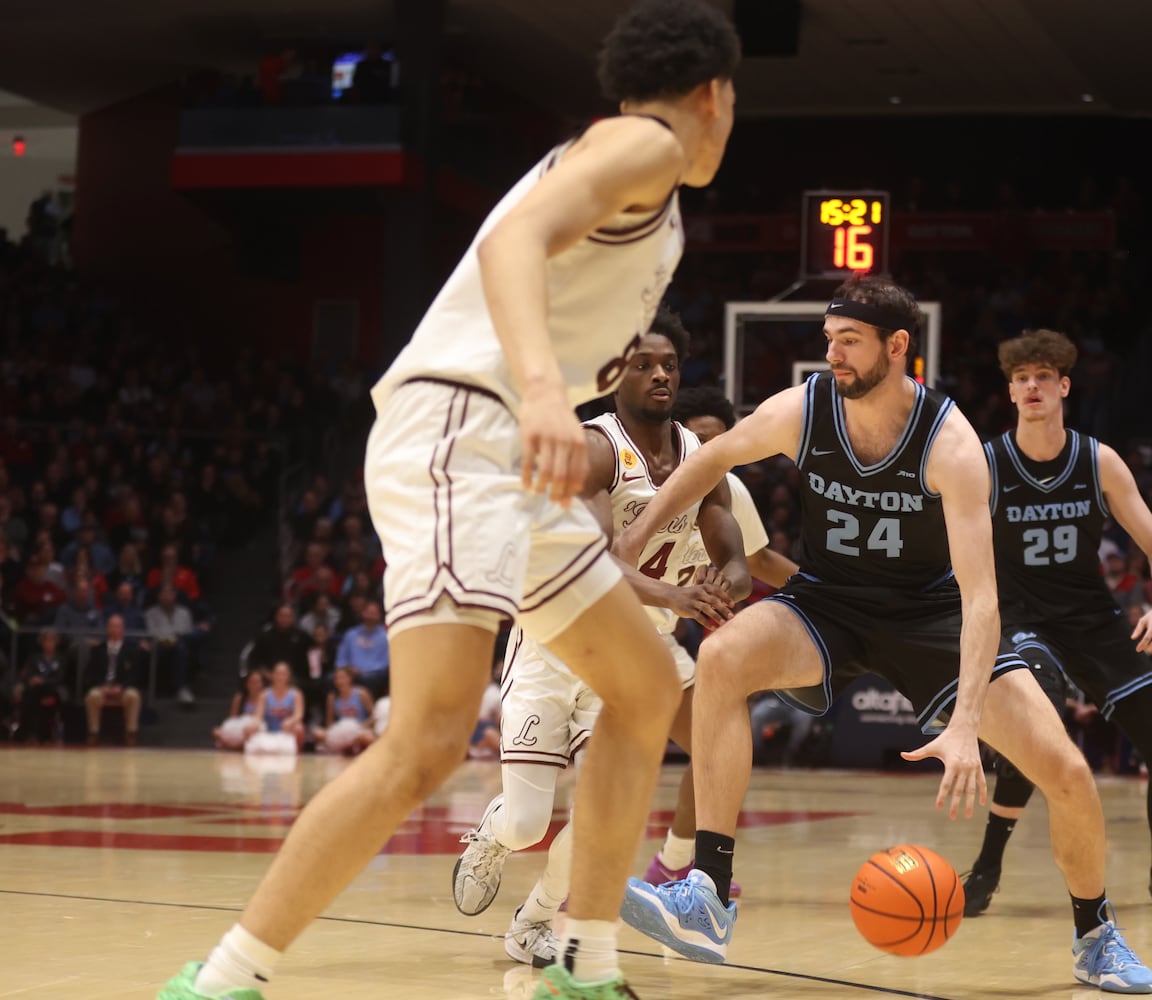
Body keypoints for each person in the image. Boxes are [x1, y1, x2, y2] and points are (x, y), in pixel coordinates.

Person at [157, 4, 741, 997]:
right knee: (427, 738)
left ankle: (581, 966)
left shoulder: (652, 193)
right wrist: (552, 394)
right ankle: (220, 980)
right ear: (713, 95)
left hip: (516, 454)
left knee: (645, 688)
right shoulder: (643, 143)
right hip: (466, 429)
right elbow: (512, 243)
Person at [616, 280, 1152, 992]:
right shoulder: (803, 408)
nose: (831, 354)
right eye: (828, 338)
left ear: (897, 347)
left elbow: (982, 597)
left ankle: (1095, 933)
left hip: (932, 617)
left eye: (848, 341)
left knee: (1069, 775)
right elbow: (709, 460)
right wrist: (629, 541)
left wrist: (964, 725)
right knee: (721, 656)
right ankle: (709, 894)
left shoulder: (952, 446)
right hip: (830, 602)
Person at [449, 309, 753, 968]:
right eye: (643, 363)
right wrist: (676, 594)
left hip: (631, 659)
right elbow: (591, 558)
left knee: (600, 816)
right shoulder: (595, 447)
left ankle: (533, 921)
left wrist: (726, 581)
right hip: (560, 643)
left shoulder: (700, 457)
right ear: (616, 373)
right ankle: (493, 833)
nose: (659, 374)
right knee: (530, 822)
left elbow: (729, 540)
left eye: (669, 364)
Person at [953, 328, 1152, 917]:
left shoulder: (1098, 460)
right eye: (1021, 379)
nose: (1031, 387)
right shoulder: (987, 463)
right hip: (1022, 620)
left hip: (1093, 619)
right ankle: (988, 869)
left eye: (1043, 376)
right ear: (1011, 391)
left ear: (1064, 386)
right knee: (1036, 736)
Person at [672, 385, 801, 589]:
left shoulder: (731, 488)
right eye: (701, 440)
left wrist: (827, 599)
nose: (711, 453)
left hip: (662, 618)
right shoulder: (645, 485)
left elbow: (759, 561)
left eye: (720, 444)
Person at [84, 615, 144, 747]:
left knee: (133, 696)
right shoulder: (98, 649)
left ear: (123, 629)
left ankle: (131, 733)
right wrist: (101, 686)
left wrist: (121, 687)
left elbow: (136, 675)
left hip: (123, 688)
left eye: (117, 626)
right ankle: (93, 732)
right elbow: (90, 673)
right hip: (103, 687)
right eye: (112, 626)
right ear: (107, 629)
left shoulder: (132, 650)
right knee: (92, 696)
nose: (114, 629)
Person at [313, 666, 374, 754]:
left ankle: (349, 748)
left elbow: (374, 715)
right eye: (337, 678)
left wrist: (363, 725)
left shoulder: (361, 693)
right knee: (317, 733)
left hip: (359, 729)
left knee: (368, 738)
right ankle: (345, 747)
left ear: (350, 679)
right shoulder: (332, 697)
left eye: (342, 677)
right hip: (342, 731)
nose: (339, 681)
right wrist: (333, 734)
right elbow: (329, 722)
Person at [256, 662, 307, 748]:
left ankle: (297, 754)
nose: (280, 677)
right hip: (268, 731)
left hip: (287, 730)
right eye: (278, 674)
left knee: (299, 728)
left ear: (288, 676)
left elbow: (299, 715)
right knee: (250, 729)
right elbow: (258, 716)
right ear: (272, 675)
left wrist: (290, 721)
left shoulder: (296, 694)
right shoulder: (264, 694)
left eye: (283, 674)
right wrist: (254, 724)